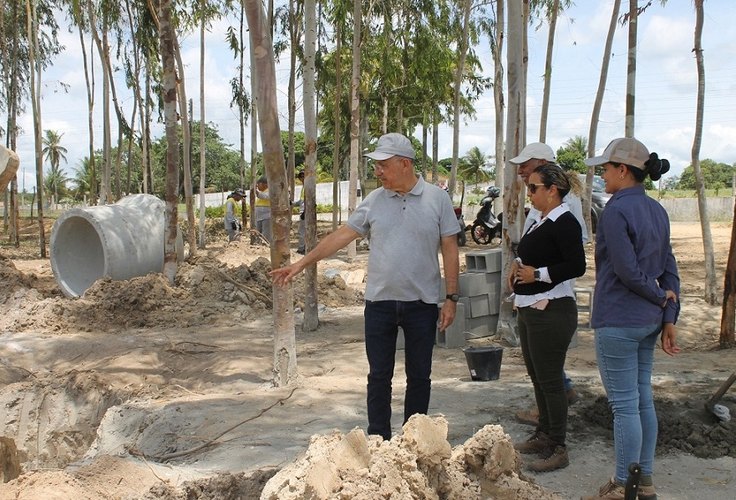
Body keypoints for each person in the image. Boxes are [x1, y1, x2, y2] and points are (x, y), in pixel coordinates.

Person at [271, 132, 460, 441]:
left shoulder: (437, 199)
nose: (378, 171)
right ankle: (378, 440)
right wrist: (301, 263)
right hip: (380, 304)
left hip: (422, 304)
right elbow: (341, 236)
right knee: (379, 377)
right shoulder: (374, 201)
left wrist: (451, 297)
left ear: (404, 164)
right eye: (376, 166)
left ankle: (415, 439)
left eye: (383, 165)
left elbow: (450, 249)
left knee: (420, 377)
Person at [581, 138, 680, 500]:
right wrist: (668, 312)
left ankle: (624, 486)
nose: (602, 174)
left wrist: (659, 297)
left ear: (623, 171)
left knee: (624, 406)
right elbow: (669, 269)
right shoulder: (658, 211)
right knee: (642, 401)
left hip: (619, 319)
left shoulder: (615, 211)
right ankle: (646, 482)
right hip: (648, 322)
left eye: (606, 168)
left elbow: (625, 270)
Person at [509, 163, 586, 472]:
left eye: (533, 188)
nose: (529, 193)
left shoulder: (565, 221)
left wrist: (537, 273)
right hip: (530, 305)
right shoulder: (540, 219)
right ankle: (544, 434)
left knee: (551, 379)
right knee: (538, 376)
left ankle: (558, 444)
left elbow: (576, 265)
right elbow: (529, 253)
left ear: (553, 190)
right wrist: (516, 267)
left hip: (552, 308)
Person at [254, 176, 272, 243]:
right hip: (259, 217)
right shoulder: (263, 191)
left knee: (266, 233)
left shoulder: (270, 191)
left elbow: (264, 196)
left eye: (258, 184)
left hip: (266, 216)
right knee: (258, 232)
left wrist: (256, 191)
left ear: (265, 184)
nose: (258, 186)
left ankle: (266, 246)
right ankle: (259, 245)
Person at [294, 171, 306, 254]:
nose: (302, 178)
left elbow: (310, 201)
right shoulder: (303, 187)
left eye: (303, 176)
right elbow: (301, 201)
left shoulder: (308, 187)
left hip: (305, 212)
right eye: (300, 177)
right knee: (304, 231)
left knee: (302, 231)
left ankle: (302, 249)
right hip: (303, 211)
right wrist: (292, 203)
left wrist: (305, 212)